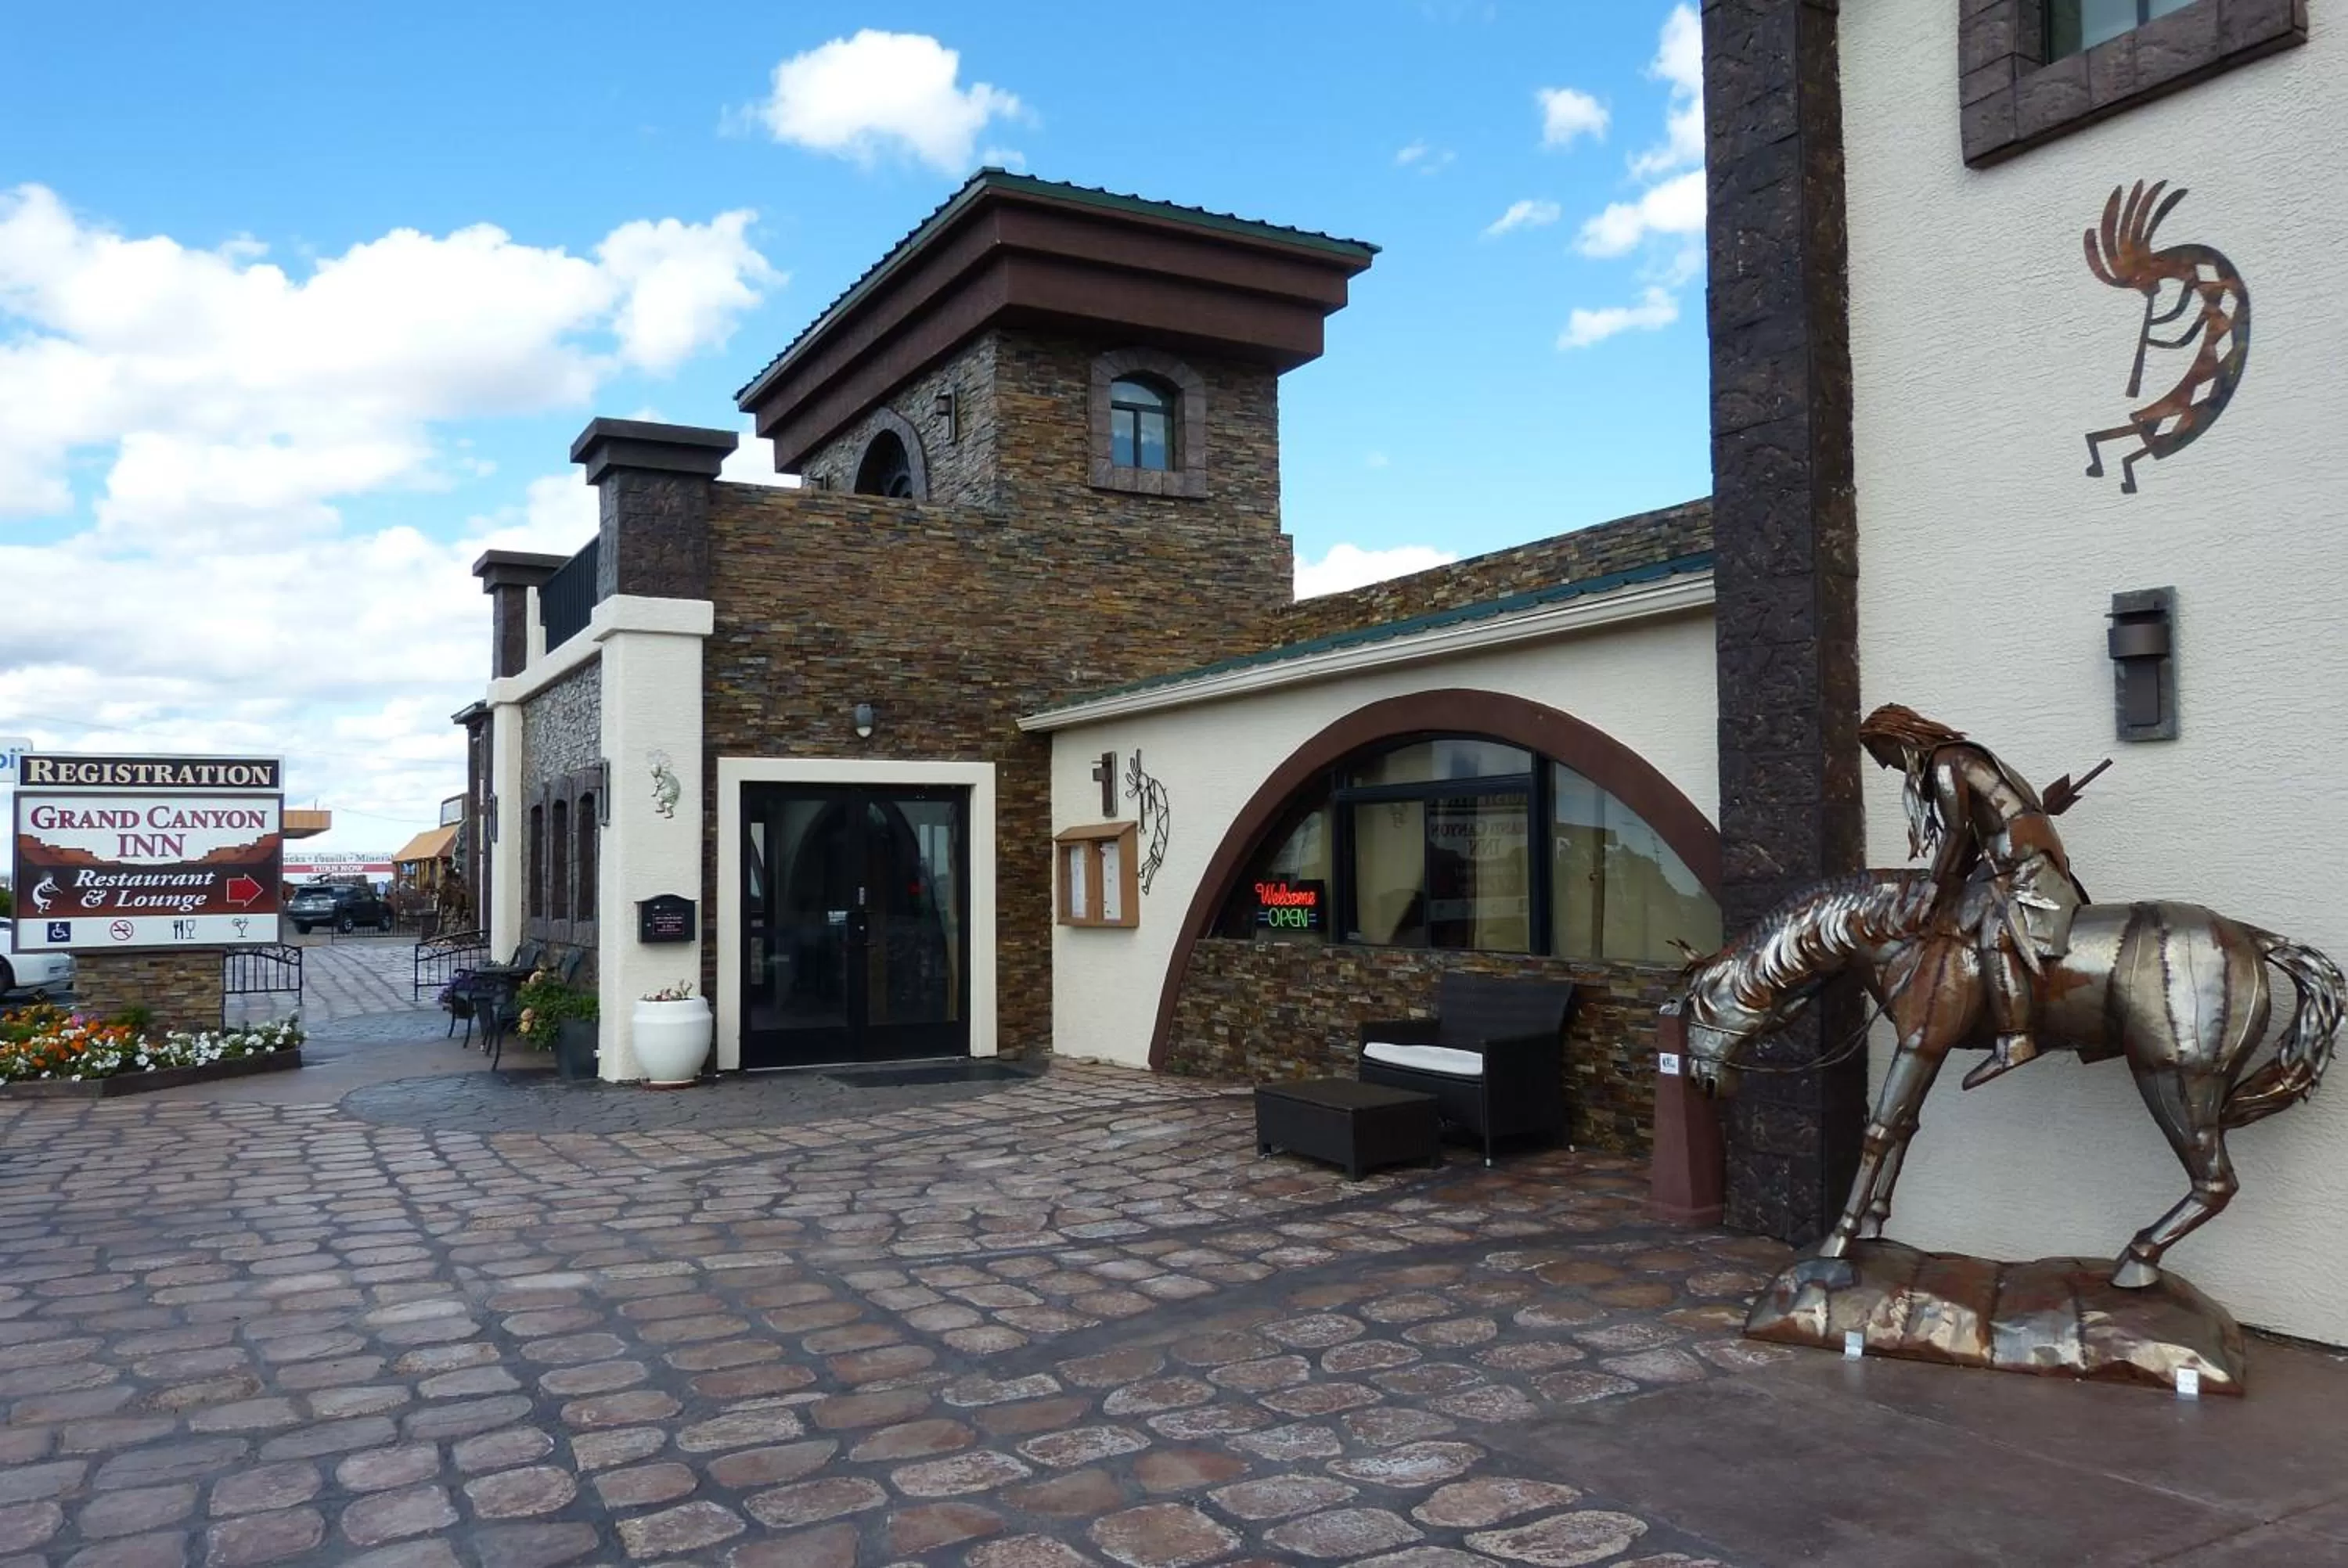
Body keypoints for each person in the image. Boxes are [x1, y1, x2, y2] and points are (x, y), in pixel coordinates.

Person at [1857, 705, 2087, 1091]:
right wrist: (1945, 883)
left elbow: (1956, 833)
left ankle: (2016, 1038)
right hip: (2002, 862)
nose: (1883, 765)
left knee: (1997, 930)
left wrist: (1933, 886)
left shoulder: (1948, 762)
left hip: (2021, 866)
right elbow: (1971, 840)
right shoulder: (1957, 760)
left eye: (1881, 754)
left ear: (1896, 739)